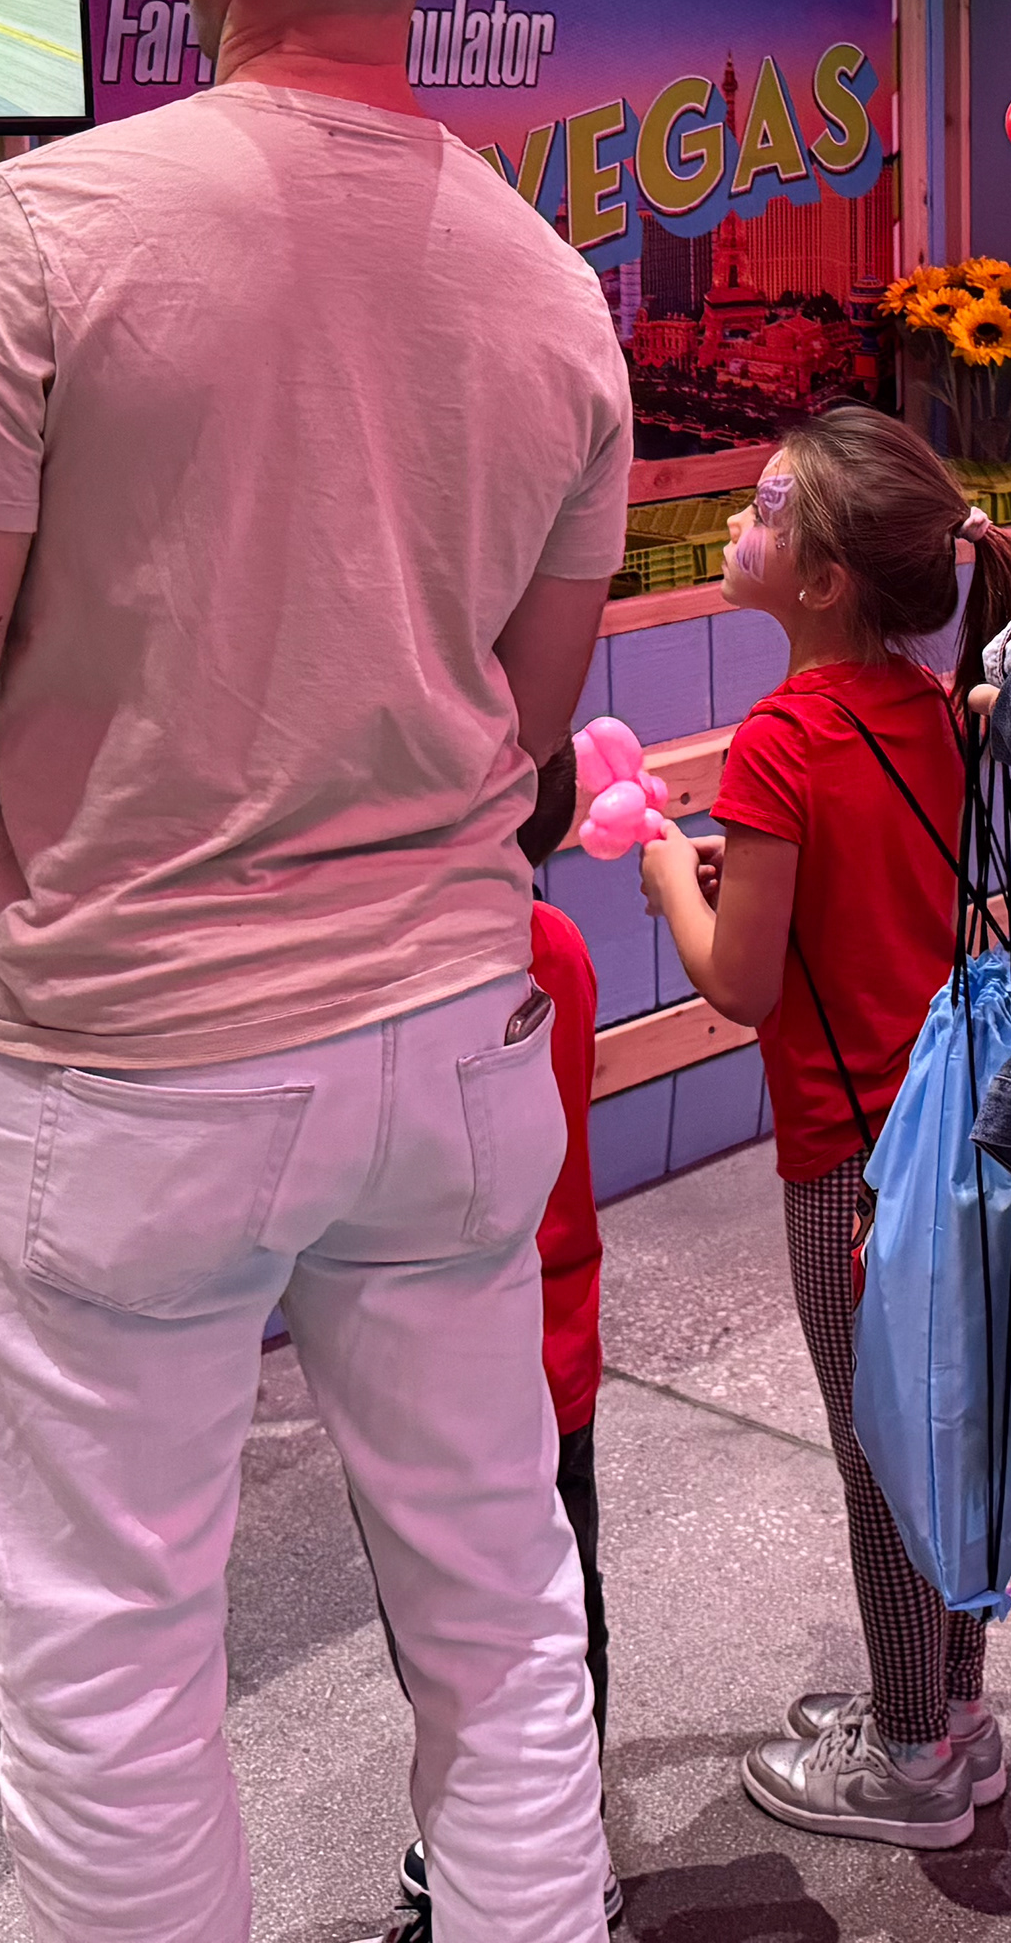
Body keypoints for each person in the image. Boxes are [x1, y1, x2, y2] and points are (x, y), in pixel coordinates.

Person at [0, 0, 633, 1942]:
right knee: (505, 1619)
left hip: (132, 1070)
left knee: (114, 1670)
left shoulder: (40, 234)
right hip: (455, 1046)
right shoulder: (552, 289)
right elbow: (527, 717)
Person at [636, 405, 1011, 1851]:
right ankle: (955, 1709)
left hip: (849, 1161)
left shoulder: (779, 741)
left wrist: (669, 877)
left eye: (764, 510)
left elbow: (741, 986)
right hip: (955, 1131)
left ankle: (911, 1757)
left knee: (878, 1457)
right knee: (952, 1428)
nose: (736, 525)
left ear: (818, 580)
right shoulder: (930, 704)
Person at [381, 754, 615, 1943]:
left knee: (451, 1618)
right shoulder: (558, 946)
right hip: (557, 1342)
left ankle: (501, 1843)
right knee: (559, 1601)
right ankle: (564, 1836)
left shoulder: (420, 979)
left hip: (458, 1355)